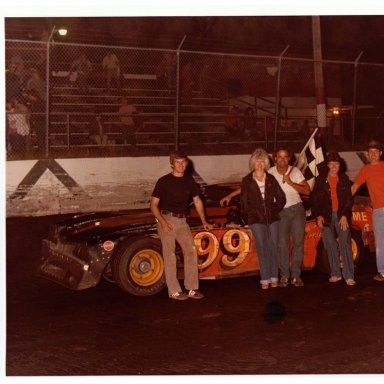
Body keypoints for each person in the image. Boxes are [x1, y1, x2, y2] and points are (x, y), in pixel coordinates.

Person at [150, 150, 213, 300]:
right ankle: (174, 291)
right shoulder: (164, 181)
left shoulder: (189, 181)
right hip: (166, 218)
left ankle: (191, 288)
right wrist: (163, 223)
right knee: (170, 255)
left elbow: (197, 201)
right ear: (172, 164)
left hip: (182, 221)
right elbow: (153, 205)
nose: (181, 165)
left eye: (183, 162)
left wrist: (204, 221)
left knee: (191, 252)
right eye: (178, 162)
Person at [240, 148, 286, 290]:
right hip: (256, 220)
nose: (260, 164)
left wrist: (273, 209)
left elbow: (281, 198)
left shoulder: (271, 179)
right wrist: (249, 216)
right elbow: (244, 202)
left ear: (266, 163)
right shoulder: (247, 181)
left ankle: (274, 277)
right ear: (253, 163)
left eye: (262, 161)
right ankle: (264, 278)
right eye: (257, 161)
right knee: (262, 248)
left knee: (273, 247)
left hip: (272, 219)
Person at [310, 151, 356, 286]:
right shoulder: (320, 180)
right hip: (325, 216)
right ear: (327, 165)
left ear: (340, 165)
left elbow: (348, 200)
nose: (334, 167)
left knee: (345, 244)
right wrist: (318, 215)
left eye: (336, 164)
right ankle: (335, 273)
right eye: (331, 164)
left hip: (341, 215)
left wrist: (344, 215)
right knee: (329, 244)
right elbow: (314, 200)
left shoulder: (345, 179)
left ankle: (349, 275)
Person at [268, 147, 310, 287]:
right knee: (282, 245)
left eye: (285, 157)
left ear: (290, 159)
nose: (282, 159)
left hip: (297, 210)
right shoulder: (270, 173)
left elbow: (307, 190)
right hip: (280, 212)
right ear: (275, 159)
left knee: (298, 243)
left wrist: (291, 182)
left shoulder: (295, 171)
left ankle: (296, 275)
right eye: (279, 156)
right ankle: (285, 275)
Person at [351, 140, 384, 282]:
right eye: (370, 152)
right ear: (367, 154)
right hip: (377, 211)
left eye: (376, 151)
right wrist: (341, 202)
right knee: (380, 243)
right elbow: (354, 187)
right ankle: (383, 271)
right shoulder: (365, 170)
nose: (373, 154)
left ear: (381, 153)